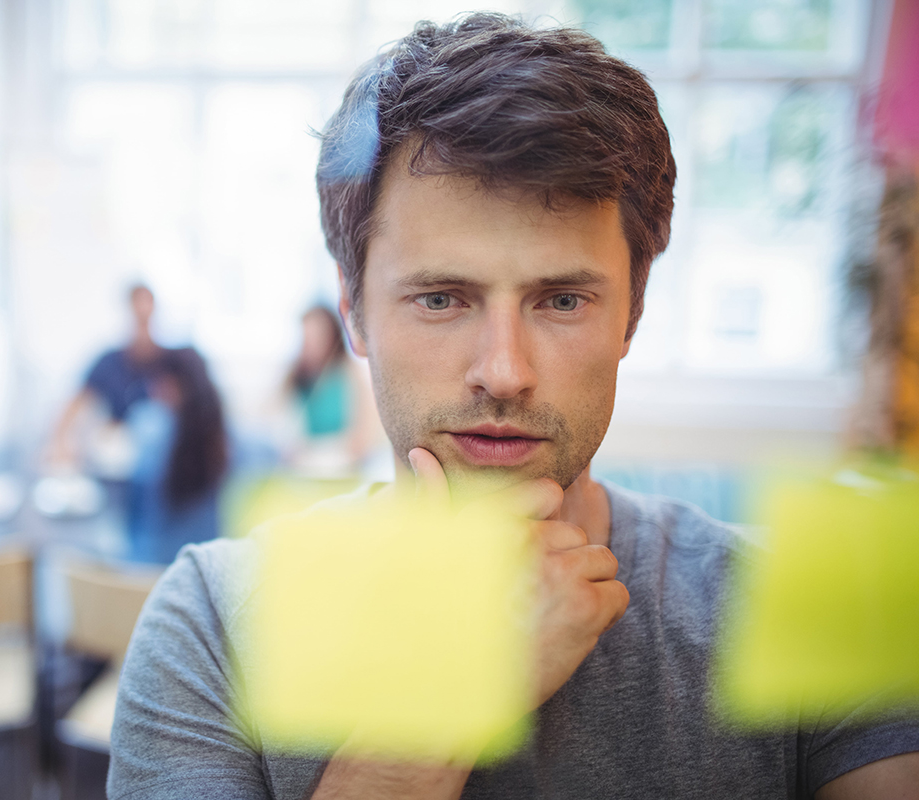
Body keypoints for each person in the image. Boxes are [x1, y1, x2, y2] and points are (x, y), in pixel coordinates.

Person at [107, 13, 919, 800]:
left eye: (561, 301)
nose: (503, 372)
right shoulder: (210, 622)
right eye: (440, 299)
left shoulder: (797, 602)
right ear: (353, 310)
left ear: (632, 312)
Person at [45, 283, 165, 471]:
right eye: (137, 315)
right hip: (120, 457)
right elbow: (74, 404)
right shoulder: (109, 362)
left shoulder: (171, 362)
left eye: (146, 317)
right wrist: (60, 441)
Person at [125, 347, 229, 564]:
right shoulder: (232, 442)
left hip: (147, 574)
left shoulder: (149, 428)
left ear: (169, 384)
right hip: (208, 571)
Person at [279, 305, 381, 477]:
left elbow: (361, 439)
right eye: (306, 336)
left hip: (341, 471)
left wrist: (316, 452)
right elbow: (280, 425)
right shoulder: (295, 377)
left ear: (332, 336)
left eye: (317, 336)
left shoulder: (350, 374)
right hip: (300, 471)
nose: (311, 344)